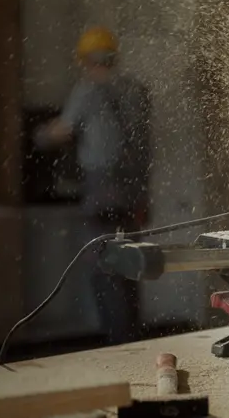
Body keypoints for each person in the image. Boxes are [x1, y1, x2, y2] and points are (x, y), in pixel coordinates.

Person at [36, 26, 153, 345]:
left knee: (103, 265)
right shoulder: (136, 90)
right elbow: (144, 145)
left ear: (85, 60)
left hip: (102, 189)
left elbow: (62, 131)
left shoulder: (88, 90)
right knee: (131, 263)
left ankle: (116, 342)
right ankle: (132, 339)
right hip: (134, 190)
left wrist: (40, 135)